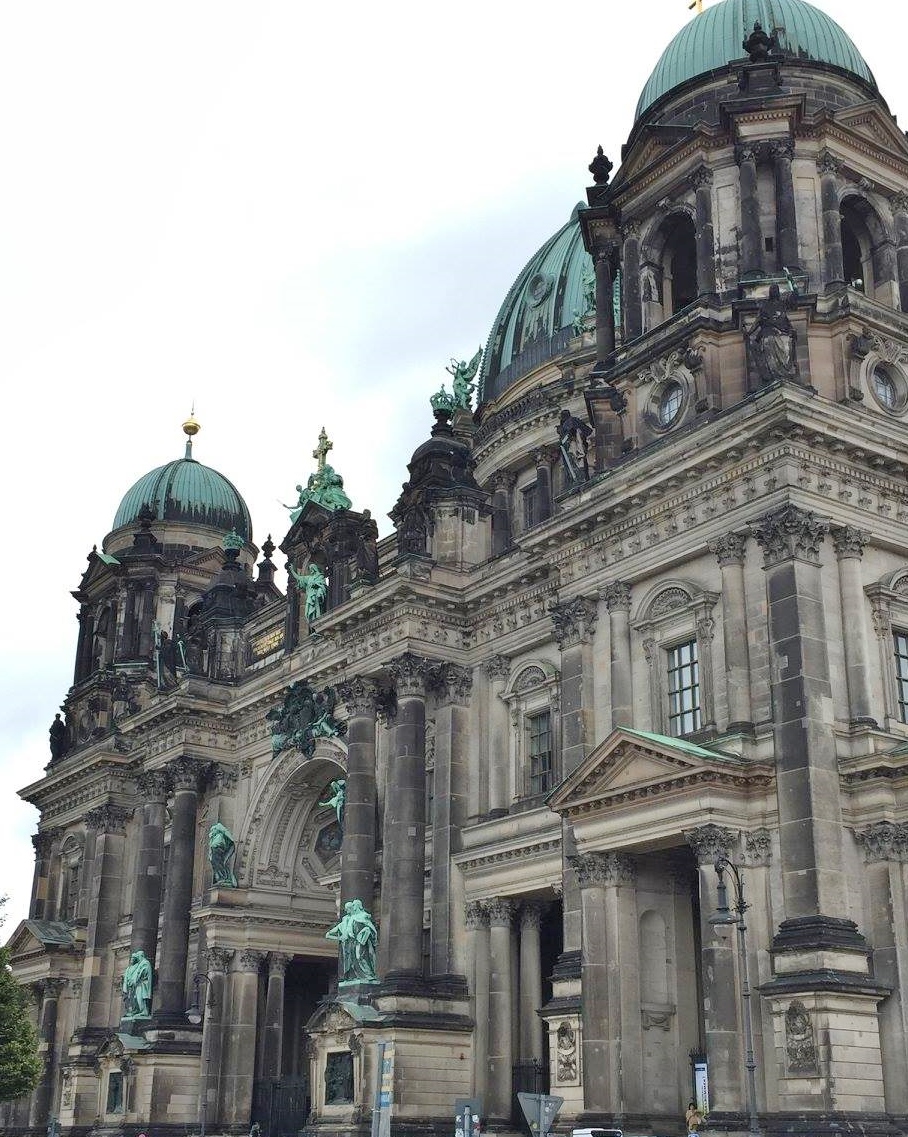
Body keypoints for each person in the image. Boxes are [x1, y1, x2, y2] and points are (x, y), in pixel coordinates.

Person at [122, 949, 153, 1019]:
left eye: (138, 957)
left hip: (142, 984)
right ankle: (137, 1010)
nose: (138, 958)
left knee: (140, 997)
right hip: (138, 984)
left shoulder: (145, 962)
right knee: (137, 998)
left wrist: (135, 980)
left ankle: (144, 1011)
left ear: (141, 956)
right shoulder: (141, 963)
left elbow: (142, 972)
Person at [208, 821, 238, 887]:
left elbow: (220, 844)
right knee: (216, 864)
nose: (212, 831)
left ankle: (224, 877)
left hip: (218, 851)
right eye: (212, 830)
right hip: (215, 851)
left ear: (217, 830)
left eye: (213, 829)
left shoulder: (220, 835)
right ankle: (221, 877)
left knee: (219, 864)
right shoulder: (214, 837)